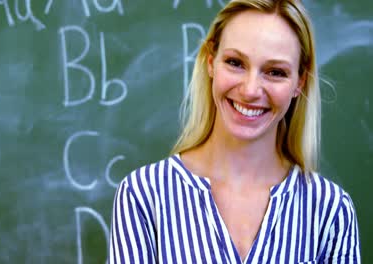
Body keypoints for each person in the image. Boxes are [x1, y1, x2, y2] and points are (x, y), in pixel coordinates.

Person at [109, 0, 361, 263]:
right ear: (210, 62)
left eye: (275, 72)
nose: (251, 90)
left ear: (300, 82)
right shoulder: (143, 195)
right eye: (235, 63)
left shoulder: (330, 210)